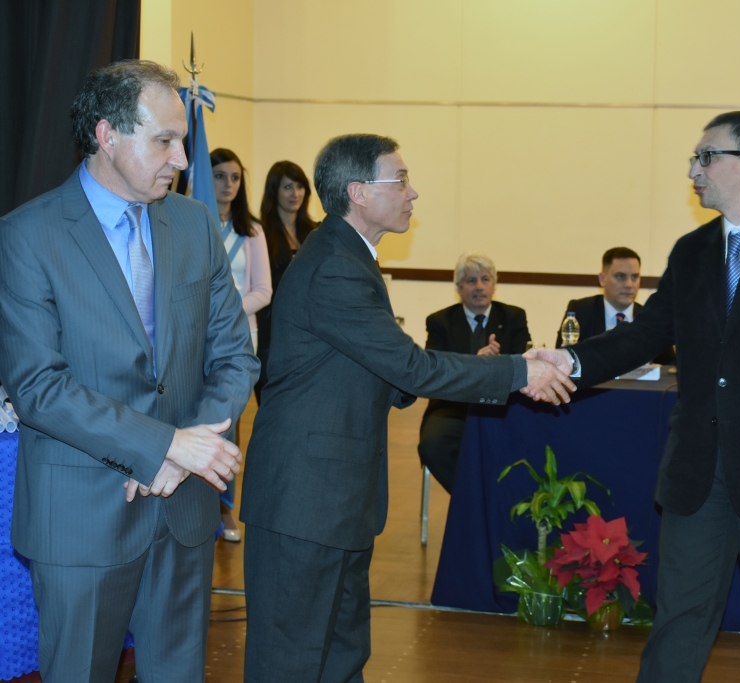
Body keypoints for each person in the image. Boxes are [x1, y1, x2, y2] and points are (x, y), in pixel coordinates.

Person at [530, 111, 740, 683]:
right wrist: (571, 360)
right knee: (678, 622)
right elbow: (645, 333)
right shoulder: (692, 251)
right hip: (697, 472)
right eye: (694, 158)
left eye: (706, 156)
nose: (693, 170)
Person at [240, 133, 574, 682]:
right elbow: (412, 369)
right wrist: (519, 371)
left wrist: (412, 368)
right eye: (400, 180)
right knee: (293, 662)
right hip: (304, 501)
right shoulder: (335, 265)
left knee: (341, 657)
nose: (412, 193)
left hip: (335, 498)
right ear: (359, 193)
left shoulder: (349, 255)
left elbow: (384, 367)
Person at [0, 60, 258, 682]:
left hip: (184, 515)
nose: (182, 158)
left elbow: (234, 358)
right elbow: (38, 387)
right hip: (82, 519)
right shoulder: (28, 236)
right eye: (164, 140)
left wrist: (184, 456)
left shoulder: (195, 225)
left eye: (181, 140)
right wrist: (161, 448)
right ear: (107, 134)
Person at [418, 252, 532, 493]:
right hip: (452, 407)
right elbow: (435, 372)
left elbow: (525, 366)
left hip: (503, 408)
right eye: (471, 281)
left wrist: (499, 363)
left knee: (527, 445)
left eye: (485, 279)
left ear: (494, 285)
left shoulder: (514, 317)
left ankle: (502, 498)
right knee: (432, 446)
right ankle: (472, 499)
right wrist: (474, 363)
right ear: (459, 288)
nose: (479, 287)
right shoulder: (439, 321)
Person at [211, 147, 272, 542]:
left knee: (227, 424)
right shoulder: (189, 221)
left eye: (235, 177)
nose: (229, 184)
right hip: (193, 337)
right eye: (220, 176)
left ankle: (226, 508)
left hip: (237, 337)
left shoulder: (251, 230)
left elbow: (263, 290)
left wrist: (227, 312)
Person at [253, 160, 317, 402]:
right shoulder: (259, 234)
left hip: (309, 335)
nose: (295, 193)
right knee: (273, 406)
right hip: (272, 336)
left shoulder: (315, 233)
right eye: (287, 187)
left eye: (300, 186)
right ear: (274, 191)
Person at [555, 246, 674, 364]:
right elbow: (563, 360)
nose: (629, 284)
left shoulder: (650, 317)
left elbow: (670, 367)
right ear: (602, 279)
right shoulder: (580, 311)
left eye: (634, 277)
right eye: (621, 276)